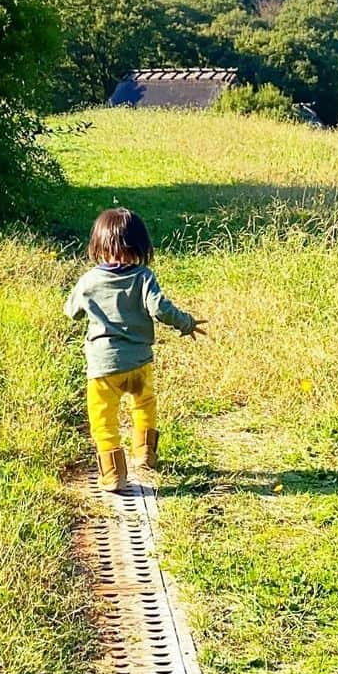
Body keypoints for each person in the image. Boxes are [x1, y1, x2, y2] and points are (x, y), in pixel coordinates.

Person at [64, 207, 206, 491]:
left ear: (98, 246)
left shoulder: (89, 280)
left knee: (104, 420)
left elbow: (71, 312)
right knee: (143, 405)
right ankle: (144, 453)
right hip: (139, 363)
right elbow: (160, 308)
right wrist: (186, 323)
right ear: (140, 246)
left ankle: (113, 473)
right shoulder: (143, 277)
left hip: (103, 369)